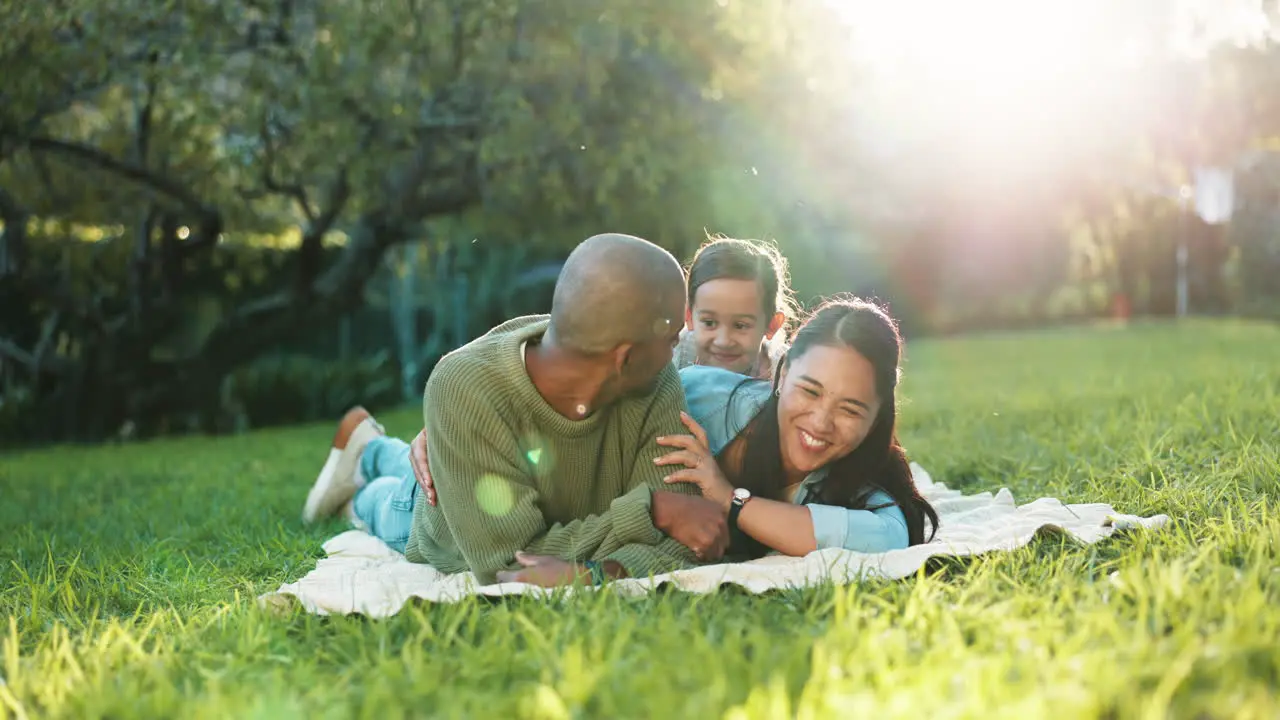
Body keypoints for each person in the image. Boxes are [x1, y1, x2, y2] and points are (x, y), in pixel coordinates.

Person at [301, 233, 730, 587]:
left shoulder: (656, 383)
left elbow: (686, 537)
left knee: (412, 458)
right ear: (625, 357)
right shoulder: (466, 388)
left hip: (476, 461)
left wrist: (599, 572)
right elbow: (504, 560)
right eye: (675, 333)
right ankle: (366, 458)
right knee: (378, 504)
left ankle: (374, 447)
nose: (681, 344)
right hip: (441, 514)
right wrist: (651, 511)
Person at [654, 297, 940, 557]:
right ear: (785, 372)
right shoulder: (699, 398)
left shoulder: (861, 479)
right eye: (810, 391)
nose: (820, 423)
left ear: (876, 417)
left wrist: (730, 499)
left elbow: (886, 538)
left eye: (850, 409)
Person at [672, 236, 796, 380]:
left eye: (740, 325)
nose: (723, 341)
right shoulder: (671, 359)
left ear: (771, 325)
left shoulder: (784, 377)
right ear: (689, 316)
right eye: (709, 323)